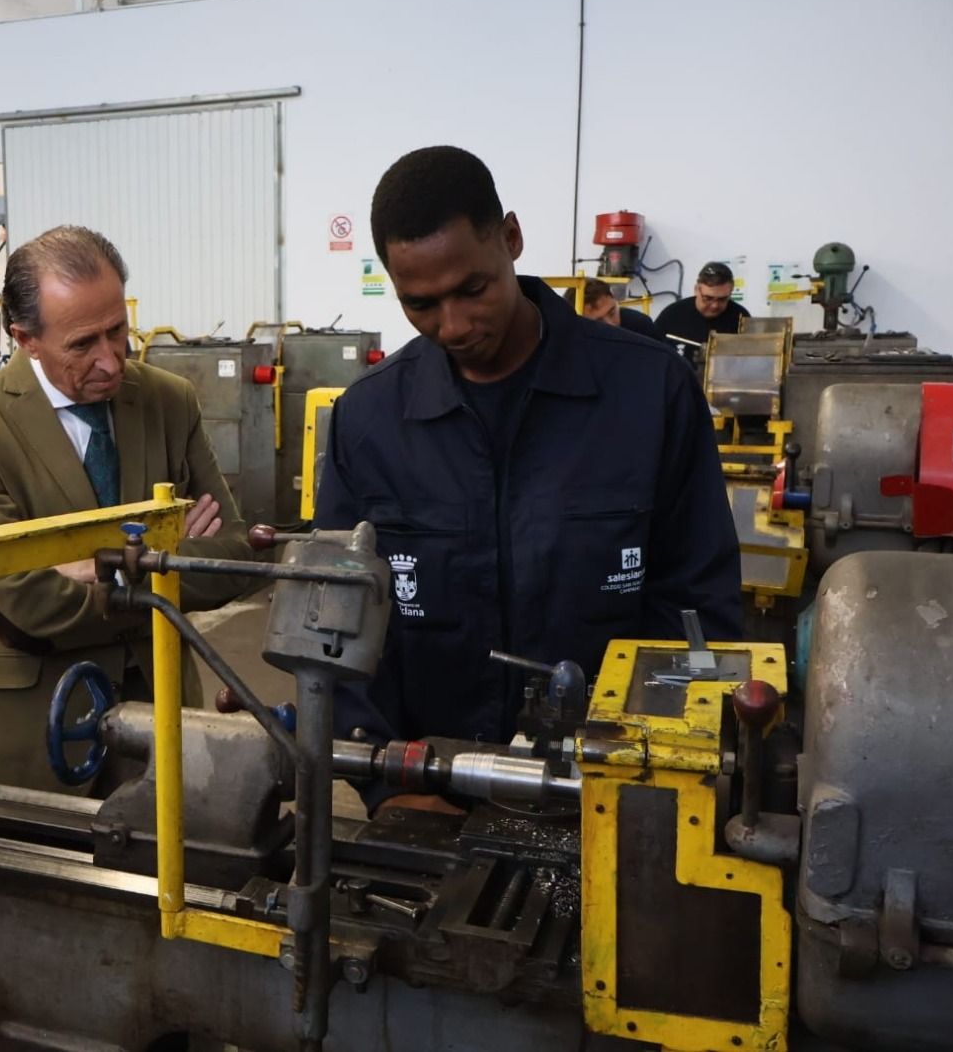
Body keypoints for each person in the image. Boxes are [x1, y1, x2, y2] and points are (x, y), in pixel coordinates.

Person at [314, 147, 740, 816]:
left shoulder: (650, 394)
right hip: (430, 796)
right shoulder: (366, 422)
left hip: (610, 794)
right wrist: (382, 776)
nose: (452, 326)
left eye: (473, 289)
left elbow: (698, 605)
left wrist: (649, 778)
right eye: (420, 303)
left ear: (511, 238)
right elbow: (336, 617)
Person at [0, 225, 256, 793]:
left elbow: (231, 556)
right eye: (83, 344)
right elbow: (24, 602)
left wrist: (90, 567)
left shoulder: (168, 402)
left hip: (158, 710)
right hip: (30, 724)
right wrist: (167, 561)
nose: (111, 361)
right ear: (24, 338)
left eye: (117, 331)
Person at [653, 261, 752, 350]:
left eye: (722, 299)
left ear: (731, 292)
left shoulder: (741, 317)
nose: (715, 305)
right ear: (696, 290)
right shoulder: (672, 315)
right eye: (708, 298)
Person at [562, 277, 665, 344]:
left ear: (615, 300)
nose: (610, 324)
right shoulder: (569, 342)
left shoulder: (640, 326)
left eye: (612, 313)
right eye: (598, 322)